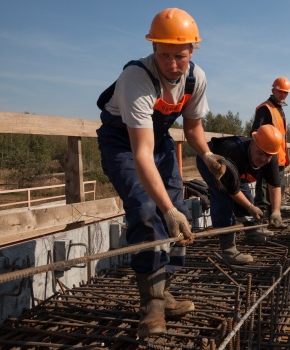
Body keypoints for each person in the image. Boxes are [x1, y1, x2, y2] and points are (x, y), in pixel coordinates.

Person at [95, 8, 226, 337]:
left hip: (159, 142)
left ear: (192, 51)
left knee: (181, 214)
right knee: (147, 210)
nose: (171, 64)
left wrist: (207, 155)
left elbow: (194, 129)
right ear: (153, 48)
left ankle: (163, 290)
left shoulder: (196, 79)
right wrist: (164, 208)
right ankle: (151, 305)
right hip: (123, 144)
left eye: (179, 56)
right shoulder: (136, 79)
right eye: (163, 55)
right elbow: (141, 152)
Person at [196, 124, 285, 261]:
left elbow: (275, 185)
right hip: (211, 162)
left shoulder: (270, 155)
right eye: (260, 153)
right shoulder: (234, 152)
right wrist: (250, 207)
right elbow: (232, 190)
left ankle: (252, 232)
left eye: (267, 156)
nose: (263, 158)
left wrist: (276, 210)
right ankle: (228, 249)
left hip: (234, 170)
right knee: (223, 198)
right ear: (253, 143)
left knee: (247, 197)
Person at [250, 77, 290, 218]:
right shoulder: (265, 108)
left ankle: (274, 218)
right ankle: (260, 222)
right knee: (263, 193)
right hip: (267, 157)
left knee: (278, 188)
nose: (282, 95)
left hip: (279, 157)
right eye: (280, 91)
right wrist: (261, 155)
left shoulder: (279, 109)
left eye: (285, 93)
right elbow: (255, 132)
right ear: (273, 90)